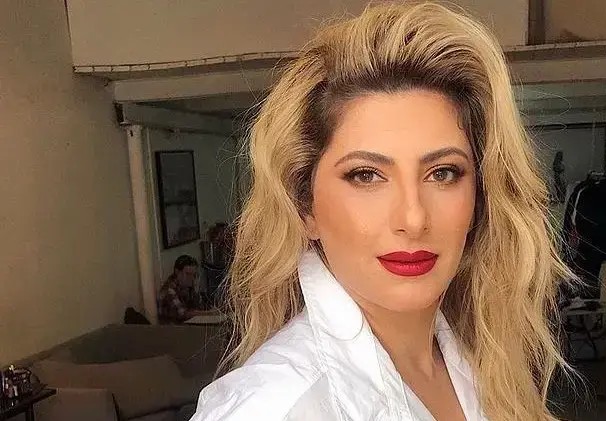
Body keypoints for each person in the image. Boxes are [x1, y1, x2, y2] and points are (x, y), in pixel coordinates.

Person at [191, 3, 572, 420]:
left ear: (480, 196)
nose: (413, 219)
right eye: (366, 175)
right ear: (305, 207)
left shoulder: (479, 362)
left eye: (443, 173)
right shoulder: (271, 408)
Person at [157, 255, 205, 324]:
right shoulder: (168, 291)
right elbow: (184, 314)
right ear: (177, 272)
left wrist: (197, 291)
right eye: (188, 274)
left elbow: (199, 307)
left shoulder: (188, 286)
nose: (192, 278)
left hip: (188, 326)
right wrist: (209, 313)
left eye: (194, 275)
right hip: (174, 329)